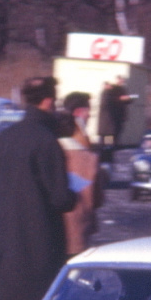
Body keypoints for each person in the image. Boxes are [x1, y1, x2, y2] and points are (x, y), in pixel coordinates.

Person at [0, 76, 76, 300]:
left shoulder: (6, 137)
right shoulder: (46, 141)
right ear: (49, 101)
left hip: (3, 248)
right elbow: (61, 198)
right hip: (37, 248)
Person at [58, 91, 101, 256]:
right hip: (77, 218)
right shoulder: (79, 137)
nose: (90, 115)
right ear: (79, 112)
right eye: (89, 110)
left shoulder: (56, 131)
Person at [98, 77, 130, 169]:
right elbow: (109, 103)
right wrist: (120, 99)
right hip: (108, 128)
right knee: (108, 145)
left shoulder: (112, 92)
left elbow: (126, 101)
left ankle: (106, 160)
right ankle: (106, 161)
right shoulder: (107, 93)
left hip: (110, 127)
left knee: (109, 144)